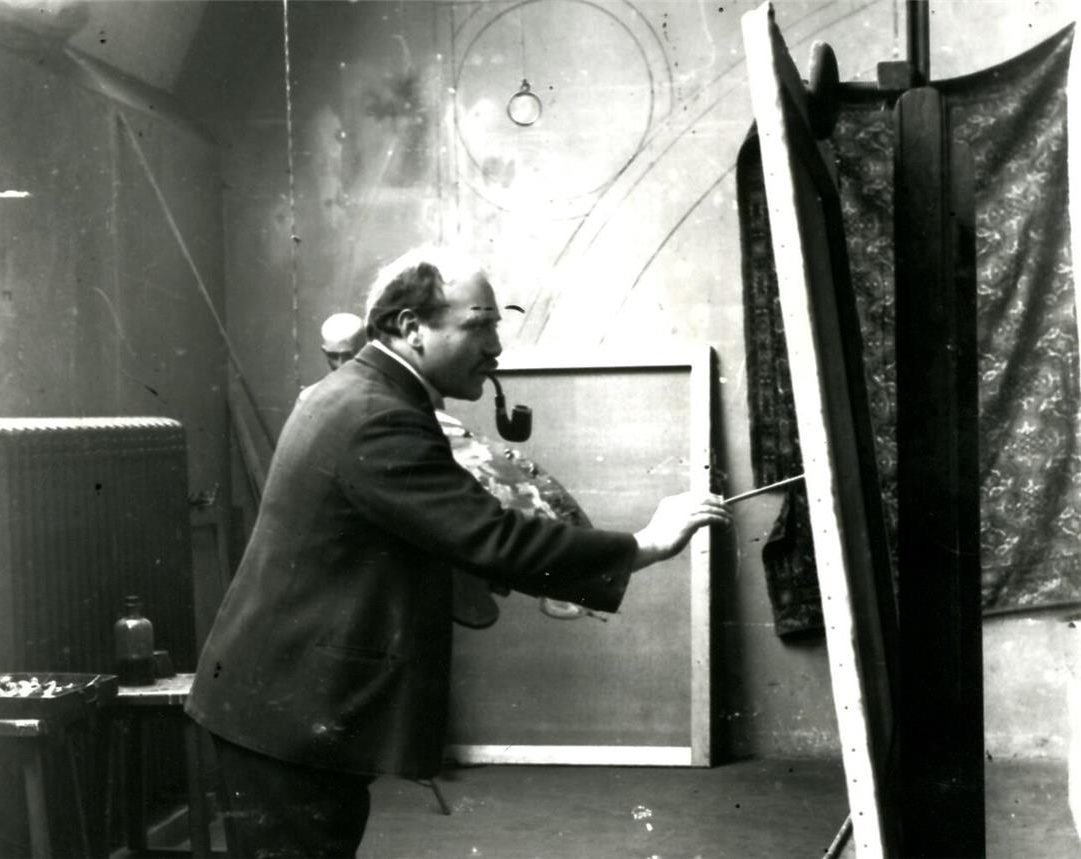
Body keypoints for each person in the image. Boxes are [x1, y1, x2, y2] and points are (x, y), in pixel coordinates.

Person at [185, 245, 731, 858]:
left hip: (279, 700)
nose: (496, 347)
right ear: (411, 328)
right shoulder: (377, 416)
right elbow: (491, 538)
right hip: (287, 712)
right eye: (479, 325)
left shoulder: (359, 394)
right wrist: (643, 545)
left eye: (497, 324)